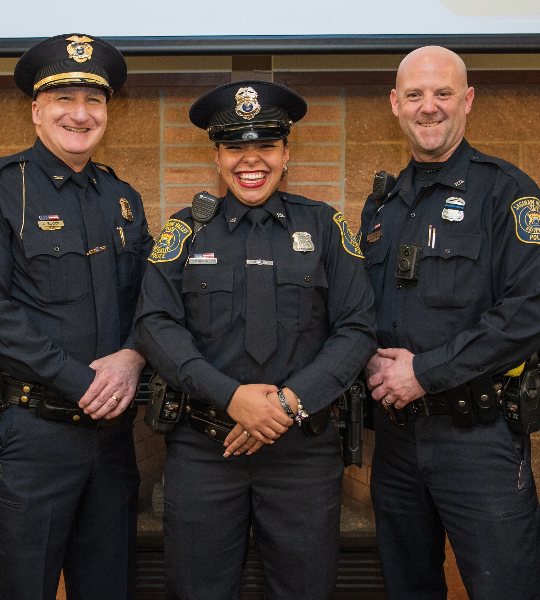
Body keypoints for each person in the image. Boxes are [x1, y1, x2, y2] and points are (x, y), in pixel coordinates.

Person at [134, 80, 376, 600]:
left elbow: (357, 328)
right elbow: (156, 324)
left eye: (266, 145)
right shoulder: (183, 233)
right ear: (217, 155)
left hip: (303, 453)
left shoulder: (327, 227)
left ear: (287, 152)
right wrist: (231, 397)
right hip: (204, 449)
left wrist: (288, 404)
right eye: (235, 147)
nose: (252, 161)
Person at [0, 34, 152, 600]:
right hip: (34, 434)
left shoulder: (123, 199)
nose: (80, 114)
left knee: (110, 586)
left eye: (94, 100)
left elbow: (153, 300)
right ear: (37, 111)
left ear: (108, 111)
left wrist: (134, 356)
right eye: (64, 98)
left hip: (111, 438)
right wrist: (81, 380)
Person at [359, 46, 540, 600]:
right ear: (395, 105)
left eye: (443, 93)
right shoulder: (383, 206)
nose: (429, 108)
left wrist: (425, 370)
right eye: (415, 95)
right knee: (408, 587)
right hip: (397, 442)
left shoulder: (507, 192)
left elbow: (529, 312)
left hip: (479, 439)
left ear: (467, 101)